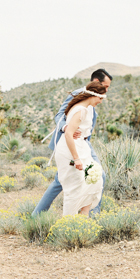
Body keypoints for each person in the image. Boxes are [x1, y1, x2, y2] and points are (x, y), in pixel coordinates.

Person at [32, 69, 113, 216]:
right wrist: (65, 127)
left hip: (84, 144)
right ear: (96, 82)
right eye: (105, 86)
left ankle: (90, 214)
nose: (106, 90)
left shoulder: (93, 99)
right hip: (71, 143)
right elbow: (59, 115)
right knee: (61, 182)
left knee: (97, 176)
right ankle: (38, 215)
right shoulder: (79, 95)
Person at [54, 80, 107, 215]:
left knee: (94, 182)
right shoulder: (81, 110)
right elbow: (68, 135)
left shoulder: (84, 108)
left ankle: (83, 221)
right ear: (92, 95)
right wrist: (76, 159)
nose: (100, 101)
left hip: (82, 147)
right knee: (74, 188)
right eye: (100, 98)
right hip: (71, 149)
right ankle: (69, 224)